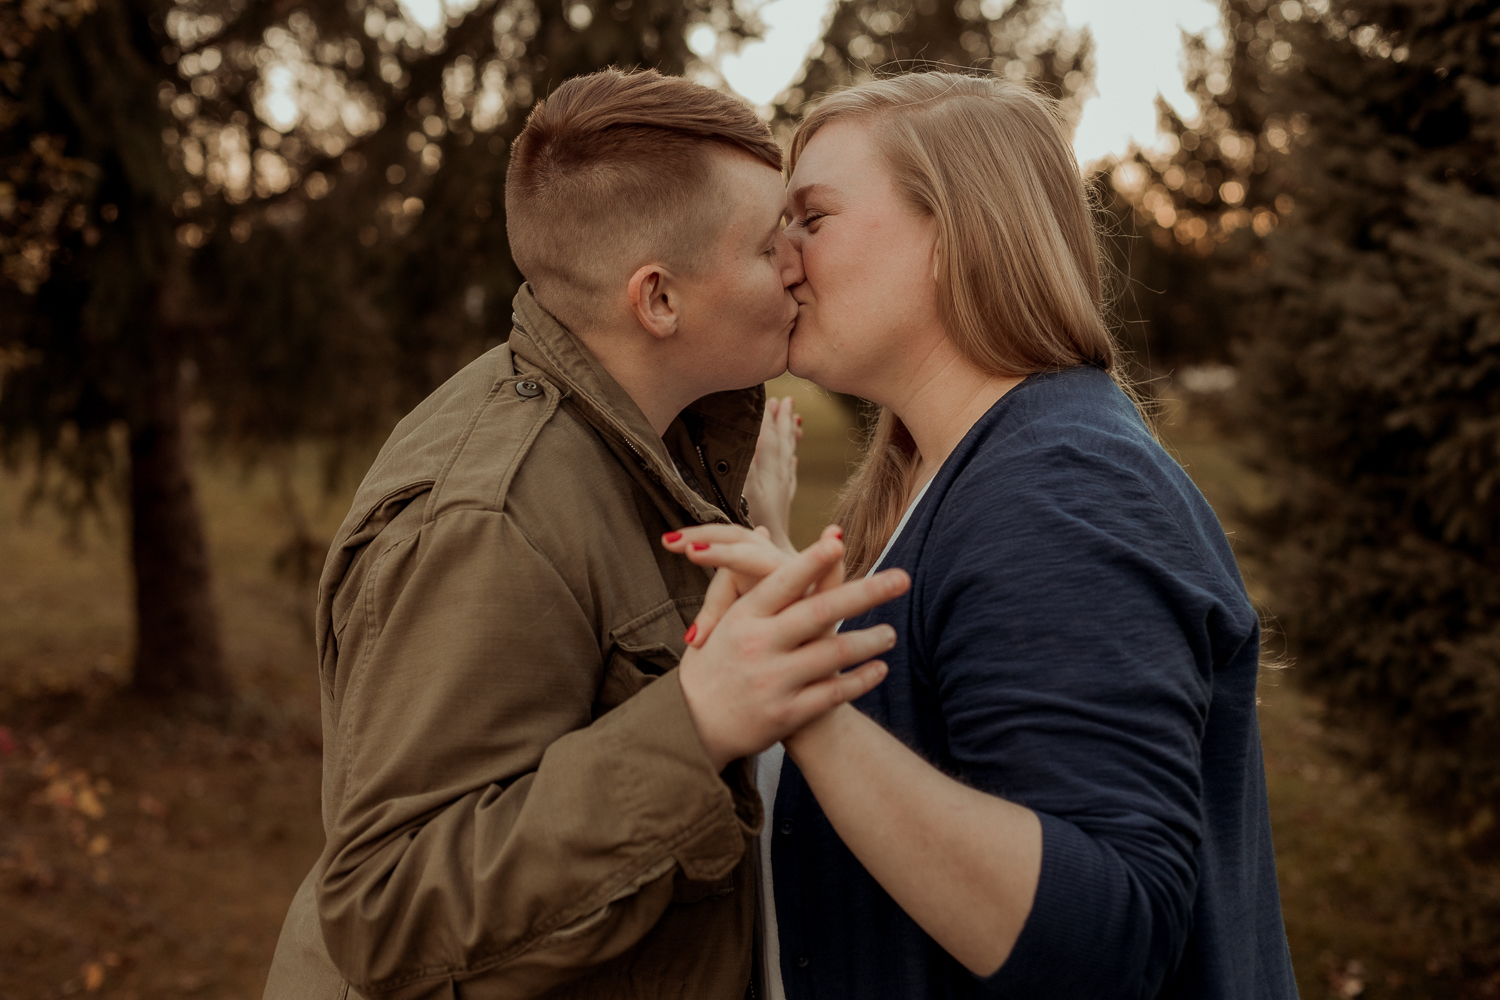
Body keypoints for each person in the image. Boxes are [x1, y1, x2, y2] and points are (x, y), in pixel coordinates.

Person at [261, 68, 908, 1000]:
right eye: (771, 244)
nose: (802, 262)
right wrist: (696, 723)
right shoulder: (489, 518)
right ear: (658, 301)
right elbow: (385, 906)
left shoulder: (661, 435)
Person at [665, 73, 1299, 998]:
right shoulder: (949, 471)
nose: (782, 255)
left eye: (812, 217)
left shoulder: (1059, 487)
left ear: (955, 235)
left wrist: (803, 708)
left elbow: (1108, 938)